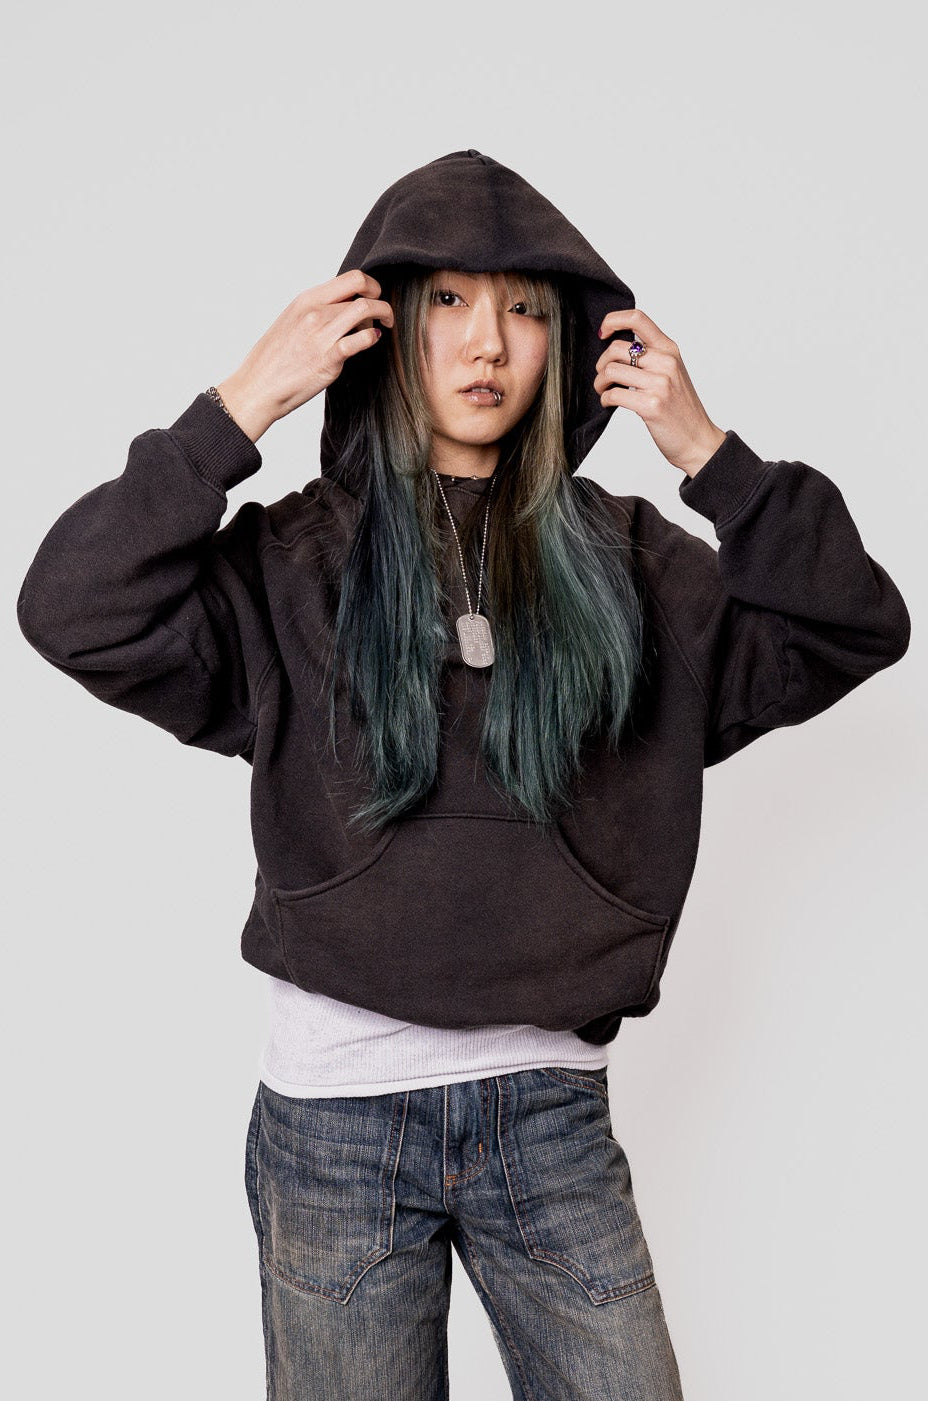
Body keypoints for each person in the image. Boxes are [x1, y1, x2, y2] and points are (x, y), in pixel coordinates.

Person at [16, 149, 911, 1400]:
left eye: (524, 309)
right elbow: (72, 607)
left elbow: (854, 626)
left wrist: (710, 455)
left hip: (550, 1117)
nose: (486, 342)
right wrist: (240, 405)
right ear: (384, 324)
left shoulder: (633, 565)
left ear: (568, 342)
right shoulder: (294, 563)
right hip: (333, 1126)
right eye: (446, 300)